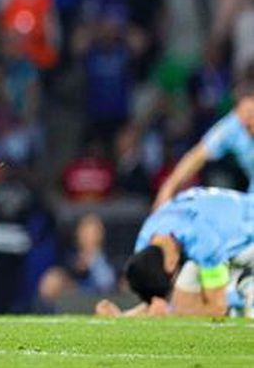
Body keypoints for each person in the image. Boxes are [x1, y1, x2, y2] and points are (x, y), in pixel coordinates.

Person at [96, 187, 254, 317]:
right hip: (228, 229)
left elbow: (217, 308)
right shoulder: (145, 242)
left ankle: (244, 288)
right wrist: (123, 317)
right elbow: (156, 300)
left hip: (247, 239)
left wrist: (170, 313)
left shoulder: (203, 242)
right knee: (187, 283)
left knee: (197, 289)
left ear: (171, 264)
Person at [153, 81, 254, 208]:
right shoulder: (234, 125)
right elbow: (197, 156)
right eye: (243, 114)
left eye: (252, 114)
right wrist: (168, 188)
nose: (247, 121)